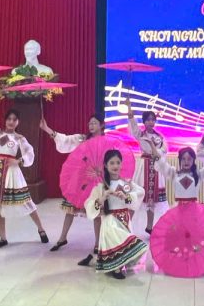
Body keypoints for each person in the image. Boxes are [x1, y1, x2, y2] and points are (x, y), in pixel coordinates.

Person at [0, 102, 48, 248]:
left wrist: (18, 161)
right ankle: (3, 238)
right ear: (5, 120)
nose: (11, 122)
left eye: (14, 119)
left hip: (12, 173)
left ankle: (41, 229)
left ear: (18, 122)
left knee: (26, 201)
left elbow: (30, 153)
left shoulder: (19, 138)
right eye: (9, 119)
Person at [44, 114, 105, 265]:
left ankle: (97, 243)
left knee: (97, 212)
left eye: (94, 123)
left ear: (101, 125)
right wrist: (47, 129)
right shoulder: (82, 139)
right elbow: (65, 140)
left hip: (96, 180)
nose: (91, 126)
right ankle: (62, 238)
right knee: (70, 209)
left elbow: (109, 160)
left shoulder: (106, 142)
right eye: (90, 123)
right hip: (80, 179)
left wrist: (101, 169)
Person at [84, 149, 147, 279]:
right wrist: (102, 198)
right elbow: (89, 204)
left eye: (118, 162)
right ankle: (116, 268)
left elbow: (141, 192)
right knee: (116, 237)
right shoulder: (101, 186)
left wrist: (126, 196)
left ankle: (96, 260)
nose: (115, 166)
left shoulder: (126, 183)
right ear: (105, 165)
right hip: (110, 220)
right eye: (111, 163)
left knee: (133, 246)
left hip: (125, 220)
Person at [125, 97, 167, 233]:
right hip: (144, 167)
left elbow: (164, 150)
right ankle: (126, 225)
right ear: (144, 122)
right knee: (136, 196)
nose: (150, 122)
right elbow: (132, 123)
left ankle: (149, 227)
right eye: (148, 120)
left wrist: (157, 153)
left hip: (155, 167)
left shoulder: (160, 137)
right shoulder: (140, 134)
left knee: (152, 200)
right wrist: (129, 107)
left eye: (153, 119)